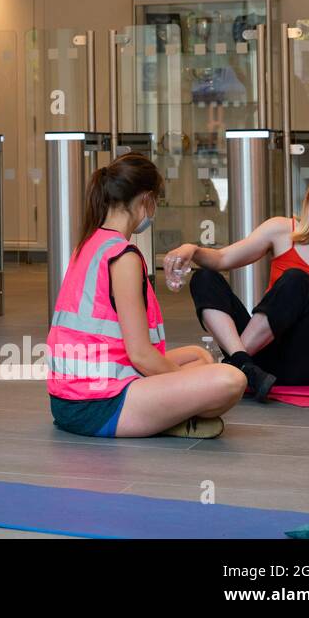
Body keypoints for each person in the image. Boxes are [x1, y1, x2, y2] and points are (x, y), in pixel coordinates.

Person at [47, 155, 246, 439]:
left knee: (199, 356)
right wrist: (187, 385)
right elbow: (140, 354)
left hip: (73, 396)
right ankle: (169, 417)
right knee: (230, 380)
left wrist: (186, 383)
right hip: (97, 404)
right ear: (147, 200)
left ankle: (169, 415)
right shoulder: (123, 256)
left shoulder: (92, 243)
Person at [167, 168, 309, 399]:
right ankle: (243, 363)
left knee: (297, 280)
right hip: (265, 356)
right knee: (205, 277)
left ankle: (234, 364)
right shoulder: (281, 230)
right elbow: (222, 259)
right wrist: (191, 249)